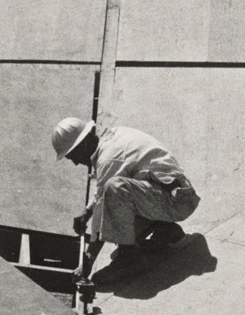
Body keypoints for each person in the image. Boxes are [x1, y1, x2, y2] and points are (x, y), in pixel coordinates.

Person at [51, 116, 200, 293]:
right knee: (116, 220)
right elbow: (102, 194)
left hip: (177, 202)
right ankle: (164, 228)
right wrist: (87, 210)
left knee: (116, 192)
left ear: (82, 144)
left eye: (73, 156)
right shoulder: (111, 138)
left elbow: (106, 199)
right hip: (172, 193)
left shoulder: (108, 159)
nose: (75, 162)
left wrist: (89, 260)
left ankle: (129, 259)